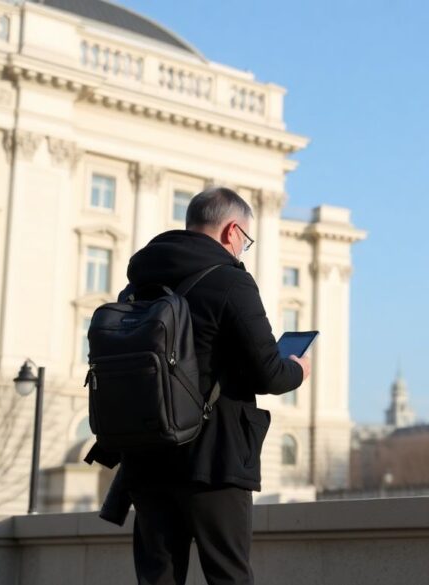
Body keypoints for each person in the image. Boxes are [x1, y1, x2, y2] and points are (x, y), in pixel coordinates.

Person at [119, 187, 309, 585]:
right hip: (214, 458)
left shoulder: (137, 283)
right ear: (232, 231)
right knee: (228, 575)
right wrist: (298, 369)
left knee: (157, 578)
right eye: (246, 240)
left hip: (146, 456)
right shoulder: (230, 281)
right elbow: (269, 373)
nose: (243, 248)